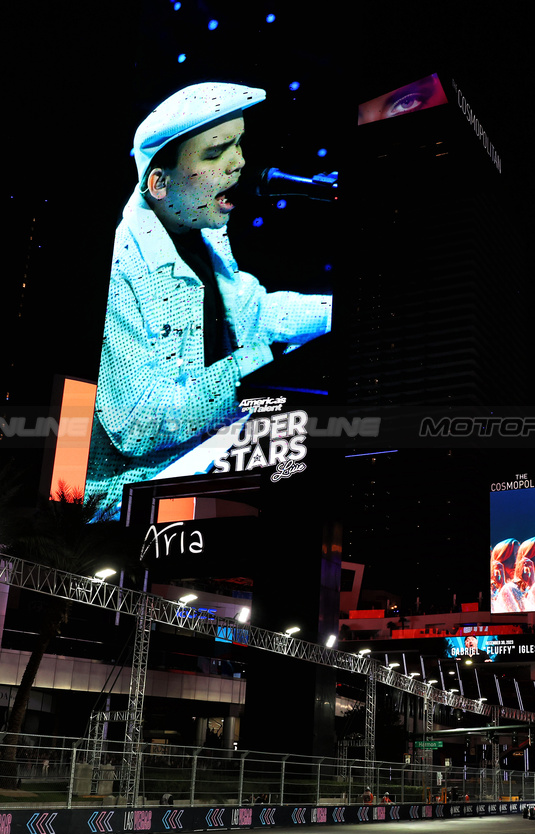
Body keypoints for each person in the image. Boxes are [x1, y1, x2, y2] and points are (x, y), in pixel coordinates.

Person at [86, 81, 333, 519]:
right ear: (160, 183)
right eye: (216, 152)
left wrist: (336, 313)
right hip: (132, 489)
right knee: (305, 442)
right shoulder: (119, 267)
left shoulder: (201, 230)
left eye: (238, 145)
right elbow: (136, 424)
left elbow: (253, 312)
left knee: (313, 433)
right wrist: (259, 362)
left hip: (204, 449)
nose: (239, 163)